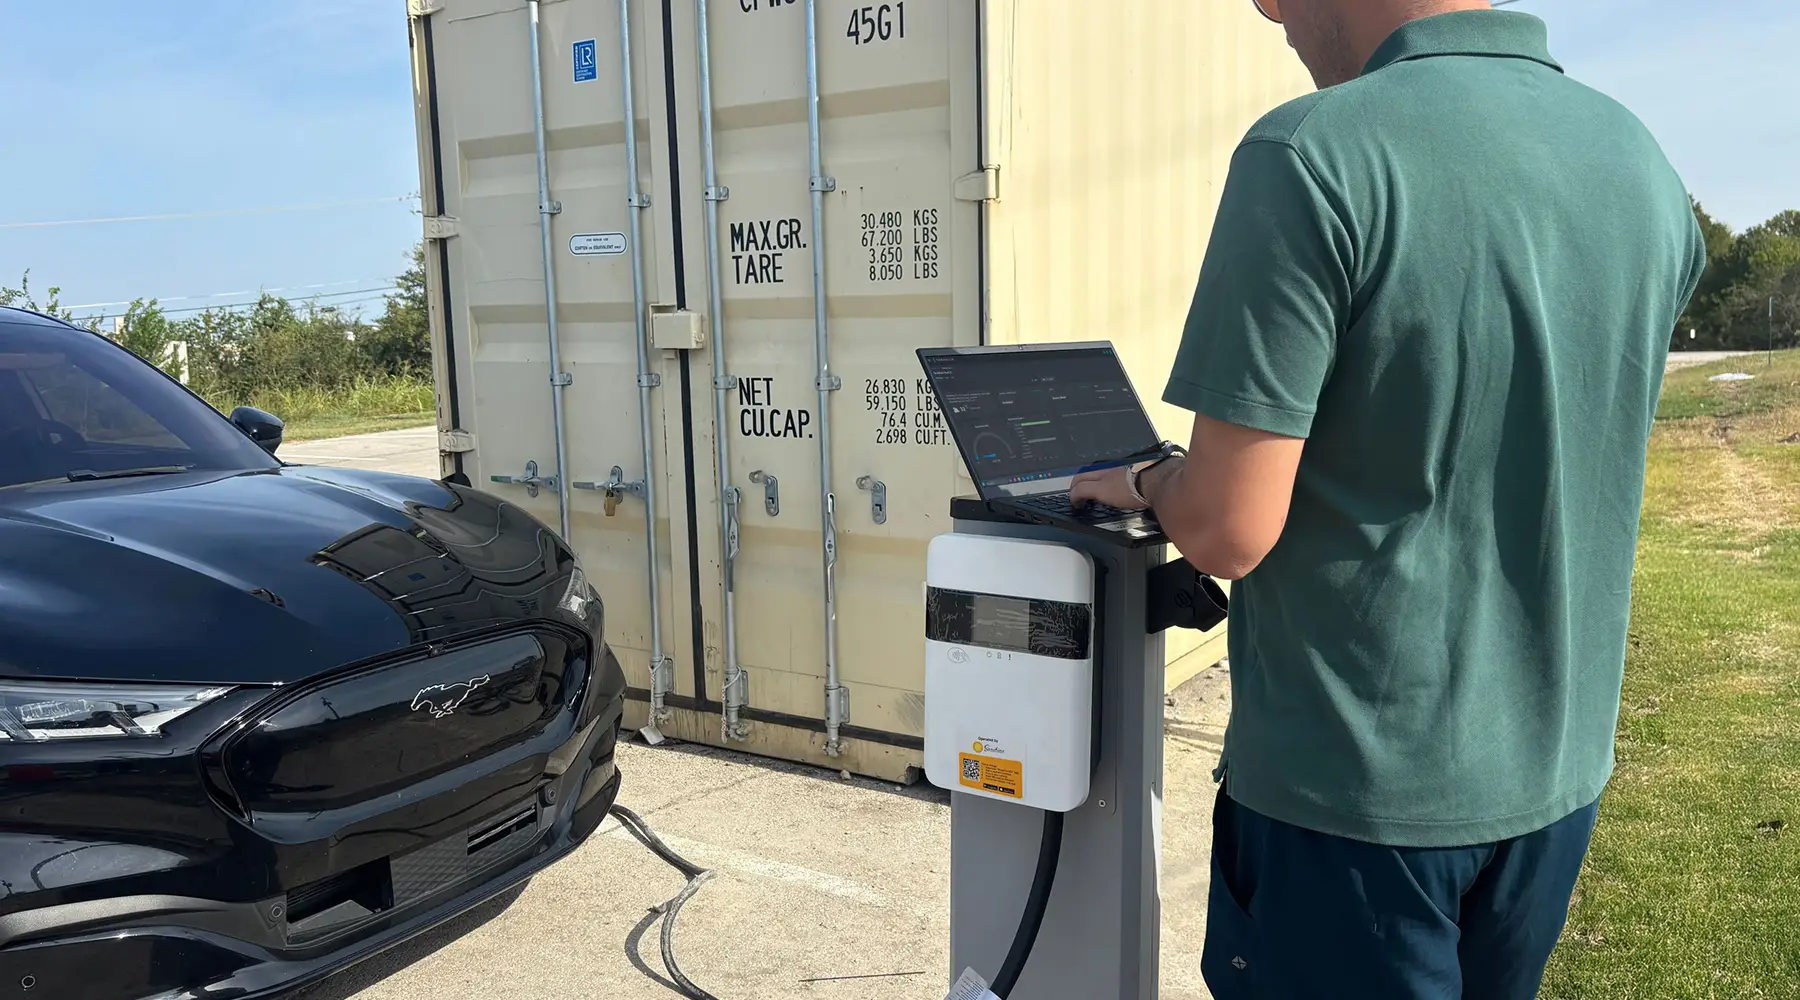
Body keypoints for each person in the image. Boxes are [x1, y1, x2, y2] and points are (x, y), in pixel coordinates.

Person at [1068, 2, 1705, 997]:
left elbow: (1229, 528)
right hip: (1554, 779)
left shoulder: (1311, 155)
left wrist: (1151, 478)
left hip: (1353, 800)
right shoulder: (1640, 165)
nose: (1264, 7)